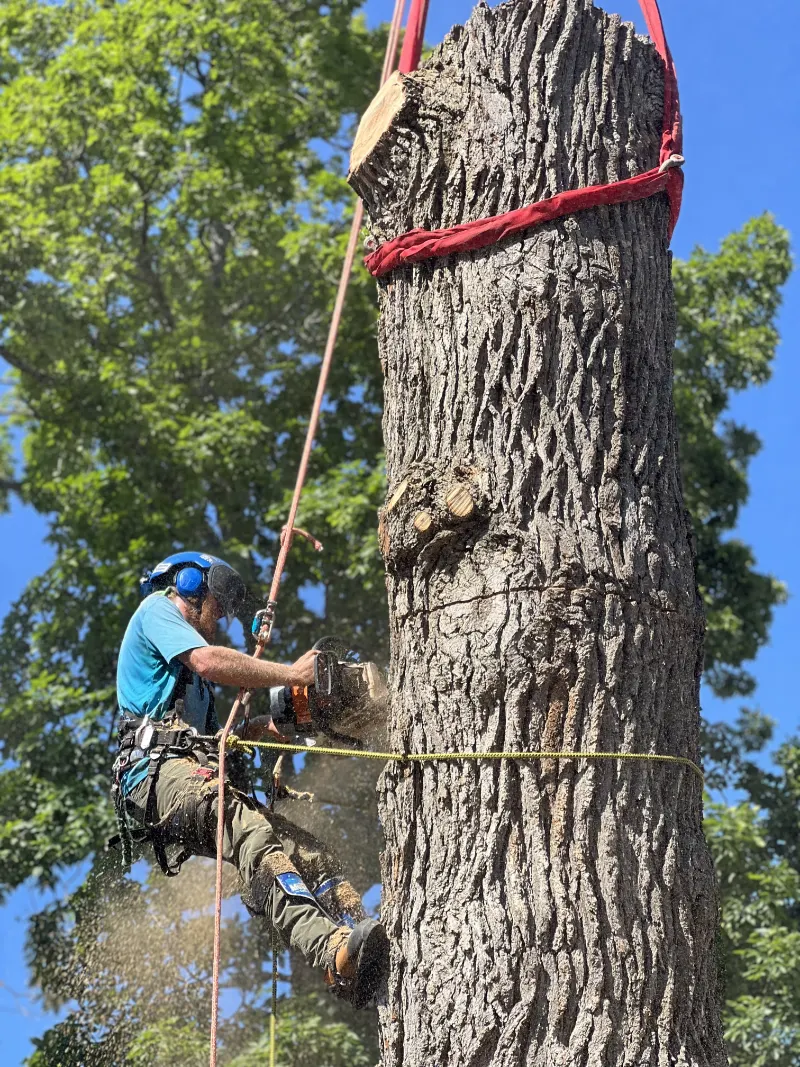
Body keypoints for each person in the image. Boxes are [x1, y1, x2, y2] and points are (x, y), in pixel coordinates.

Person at [111, 550, 388, 1008]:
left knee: (312, 854)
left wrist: (260, 727)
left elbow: (216, 743)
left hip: (191, 771)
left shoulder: (196, 692)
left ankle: (363, 950)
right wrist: (290, 673)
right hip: (154, 775)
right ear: (188, 583)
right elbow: (209, 661)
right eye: (216, 602)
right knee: (246, 827)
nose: (219, 615)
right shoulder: (156, 610)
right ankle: (331, 950)